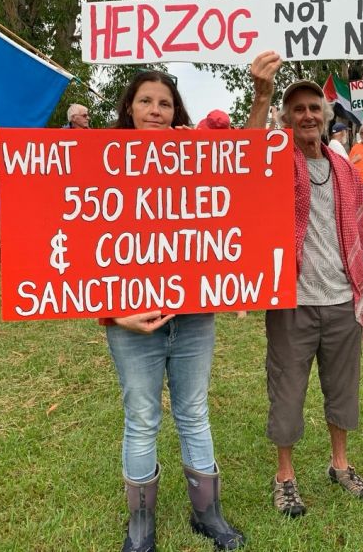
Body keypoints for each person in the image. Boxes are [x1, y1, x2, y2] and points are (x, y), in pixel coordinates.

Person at [105, 71, 244, 551]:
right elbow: (81, 256)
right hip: (130, 322)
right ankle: (141, 526)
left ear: (176, 112)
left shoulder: (198, 160)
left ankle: (208, 514)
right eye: (145, 101)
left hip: (193, 317)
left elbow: (239, 203)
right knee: (141, 418)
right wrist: (111, 313)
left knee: (194, 412)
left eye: (165, 103)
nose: (155, 111)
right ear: (129, 108)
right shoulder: (96, 165)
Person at [247, 52, 363, 518]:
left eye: (314, 108)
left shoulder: (343, 165)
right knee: (287, 388)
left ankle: (339, 464)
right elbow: (247, 154)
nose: (307, 115)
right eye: (297, 109)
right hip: (293, 300)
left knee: (342, 387)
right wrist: (263, 95)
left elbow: (360, 225)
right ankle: (285, 476)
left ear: (326, 117)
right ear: (287, 117)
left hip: (343, 299)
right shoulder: (275, 158)